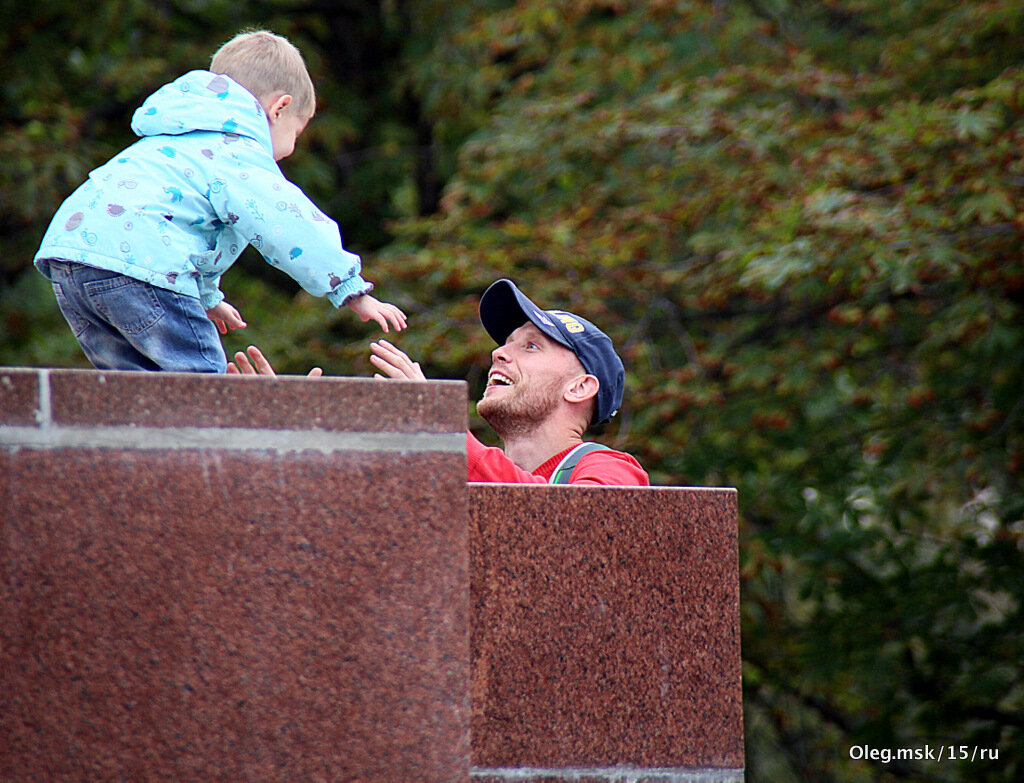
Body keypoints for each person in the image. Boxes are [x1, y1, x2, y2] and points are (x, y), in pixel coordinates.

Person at [33, 29, 405, 373]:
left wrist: (207, 297)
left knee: (136, 393)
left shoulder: (177, 137)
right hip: (140, 266)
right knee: (205, 388)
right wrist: (347, 287)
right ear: (279, 109)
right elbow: (288, 223)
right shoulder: (235, 148)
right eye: (296, 131)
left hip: (73, 257)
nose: (290, 149)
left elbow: (181, 224)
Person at [229, 279, 649, 486]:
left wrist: (438, 427)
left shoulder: (609, 470)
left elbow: (568, 532)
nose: (499, 353)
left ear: (579, 388)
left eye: (532, 347)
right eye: (505, 344)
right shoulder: (441, 468)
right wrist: (290, 442)